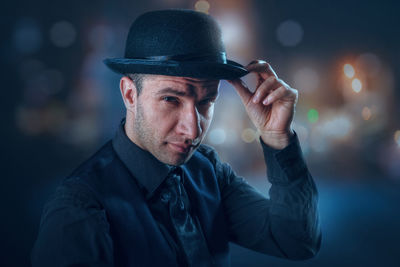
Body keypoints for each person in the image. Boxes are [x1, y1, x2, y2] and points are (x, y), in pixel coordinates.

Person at [31, 9, 321, 267]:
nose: (193, 131)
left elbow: (297, 240)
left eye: (206, 102)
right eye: (171, 99)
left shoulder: (208, 172)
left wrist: (278, 138)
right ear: (130, 94)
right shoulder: (80, 208)